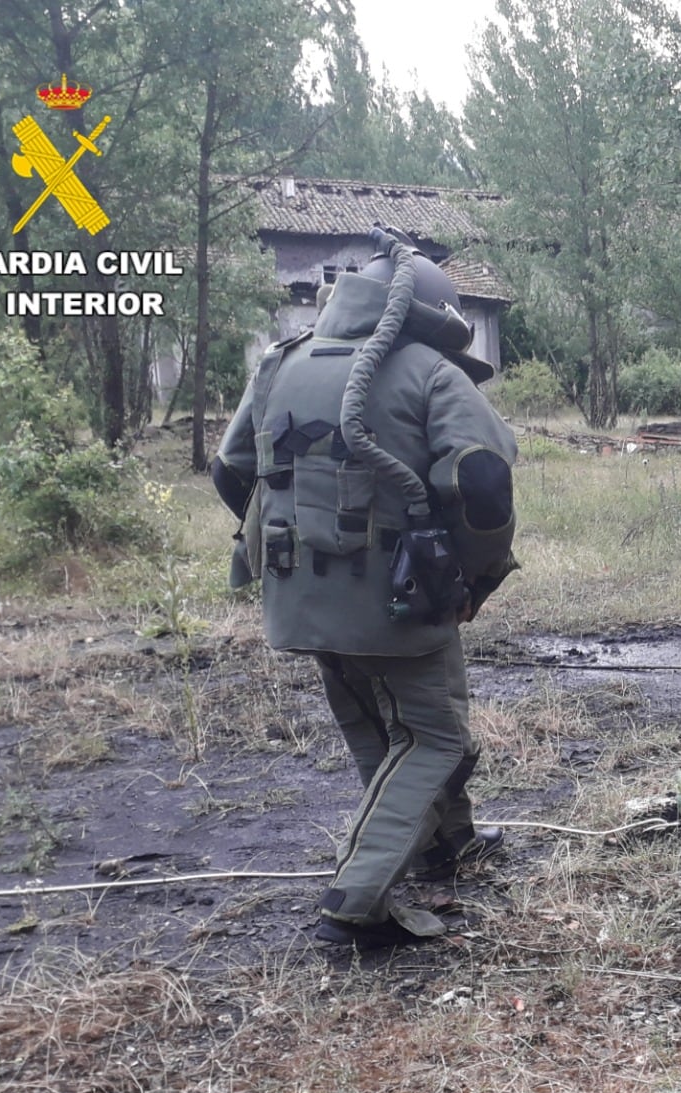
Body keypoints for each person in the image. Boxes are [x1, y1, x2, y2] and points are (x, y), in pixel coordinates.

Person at [212, 230, 518, 950]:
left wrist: (295, 541)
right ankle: (356, 902)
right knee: (433, 736)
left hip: (298, 596)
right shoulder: (427, 372)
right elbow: (480, 481)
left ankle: (449, 846)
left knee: (377, 728)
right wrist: (472, 577)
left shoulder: (279, 363)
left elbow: (231, 471)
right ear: (437, 316)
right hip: (399, 602)